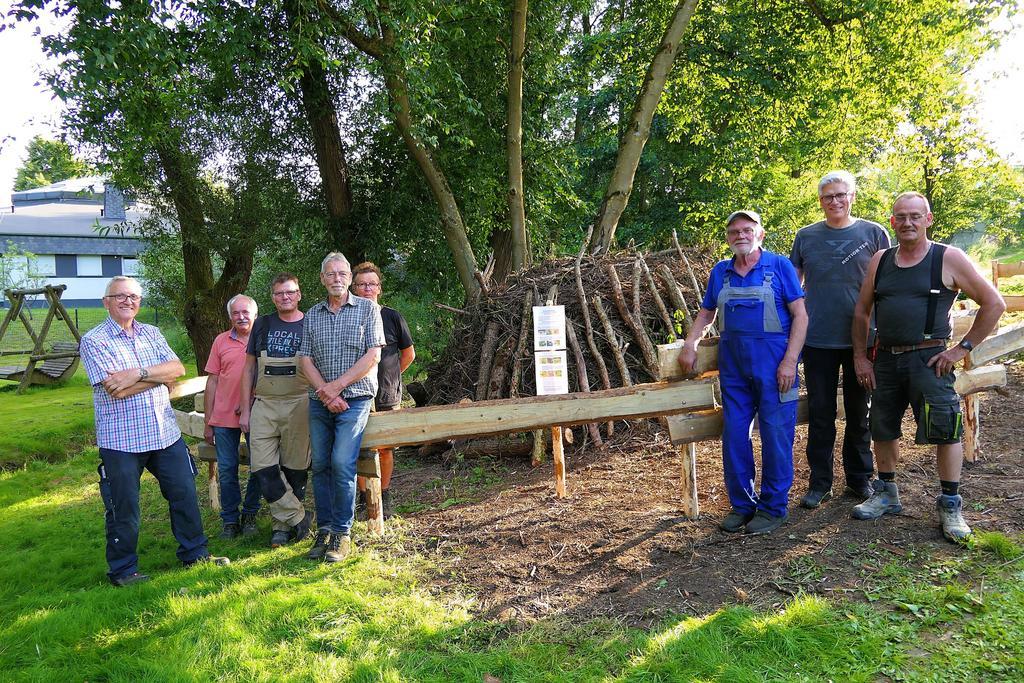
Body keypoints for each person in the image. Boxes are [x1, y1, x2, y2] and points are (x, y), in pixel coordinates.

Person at [851, 192, 1004, 542]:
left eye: (915, 216)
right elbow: (861, 311)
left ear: (928, 219)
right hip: (885, 358)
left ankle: (950, 504)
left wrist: (961, 349)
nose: (908, 222)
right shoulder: (881, 260)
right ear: (892, 222)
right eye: (901, 217)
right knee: (882, 426)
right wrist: (861, 356)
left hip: (930, 359)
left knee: (944, 427)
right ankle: (887, 494)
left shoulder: (948, 258)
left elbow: (993, 303)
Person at [80, 276, 228, 587]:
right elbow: (114, 390)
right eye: (119, 296)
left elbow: (177, 370)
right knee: (124, 506)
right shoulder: (94, 340)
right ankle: (123, 571)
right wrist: (158, 378)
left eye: (133, 296)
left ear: (139, 302)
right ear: (106, 302)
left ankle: (195, 554)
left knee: (185, 493)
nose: (127, 301)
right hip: (120, 440)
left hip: (163, 433)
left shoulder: (152, 333)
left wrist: (137, 374)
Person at [678, 210, 808, 535]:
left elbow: (801, 317)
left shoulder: (779, 267)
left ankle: (774, 508)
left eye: (747, 230)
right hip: (733, 369)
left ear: (759, 234)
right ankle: (742, 505)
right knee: (735, 435)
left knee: (776, 436)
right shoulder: (721, 272)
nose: (740, 235)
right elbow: (707, 311)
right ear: (728, 238)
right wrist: (691, 343)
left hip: (776, 366)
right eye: (734, 231)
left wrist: (791, 361)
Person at [790, 171, 890, 508]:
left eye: (840, 195)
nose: (834, 201)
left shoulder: (874, 233)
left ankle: (859, 479)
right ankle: (819, 484)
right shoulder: (805, 237)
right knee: (821, 414)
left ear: (853, 197)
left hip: (862, 341)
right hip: (817, 340)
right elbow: (793, 285)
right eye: (827, 196)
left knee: (860, 413)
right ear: (820, 201)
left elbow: (888, 285)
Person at [298, 253, 385, 562]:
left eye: (342, 273)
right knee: (319, 464)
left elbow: (372, 355)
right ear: (322, 279)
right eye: (330, 274)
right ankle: (324, 531)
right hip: (319, 402)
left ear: (349, 277)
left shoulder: (368, 310)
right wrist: (325, 393)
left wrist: (336, 388)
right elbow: (305, 359)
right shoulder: (312, 314)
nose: (336, 278)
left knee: (340, 462)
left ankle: (342, 534)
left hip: (356, 399)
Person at [239, 273, 314, 548]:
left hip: (299, 402)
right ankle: (300, 518)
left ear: (299, 294)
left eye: (290, 292)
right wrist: (245, 409)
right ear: (273, 297)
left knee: (295, 468)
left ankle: (281, 527)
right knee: (262, 467)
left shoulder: (311, 323)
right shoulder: (262, 324)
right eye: (280, 293)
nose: (285, 297)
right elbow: (248, 368)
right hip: (265, 404)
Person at [351, 262, 415, 520]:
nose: (367, 289)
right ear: (353, 288)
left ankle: (384, 496)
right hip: (355, 392)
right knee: (358, 447)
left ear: (379, 288)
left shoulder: (392, 317)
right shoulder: (348, 317)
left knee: (386, 448)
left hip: (387, 393)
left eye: (372, 284)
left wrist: (391, 376)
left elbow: (408, 354)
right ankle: (363, 498)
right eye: (362, 284)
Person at [204, 294, 262, 539]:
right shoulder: (220, 341)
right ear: (230, 316)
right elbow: (213, 381)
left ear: (255, 315)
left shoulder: (263, 339)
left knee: (259, 467)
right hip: (223, 417)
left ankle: (250, 514)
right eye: (236, 313)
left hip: (257, 414)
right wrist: (208, 421)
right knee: (227, 469)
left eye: (246, 312)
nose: (241, 317)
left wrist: (251, 398)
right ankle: (230, 520)